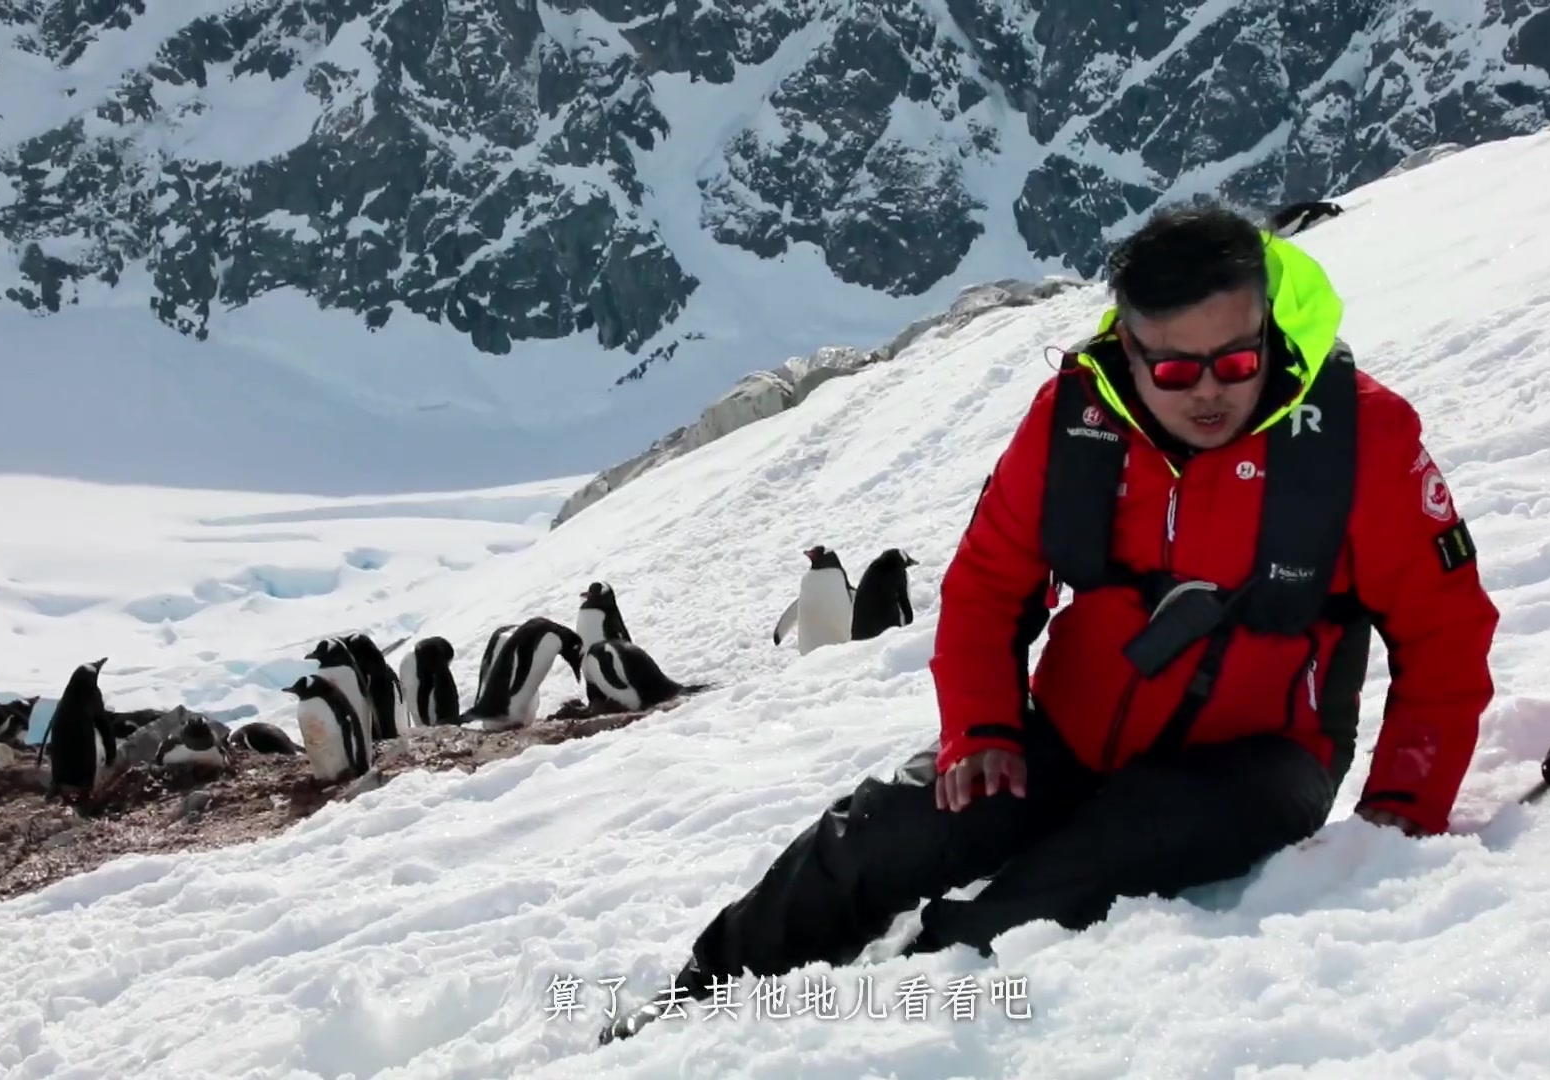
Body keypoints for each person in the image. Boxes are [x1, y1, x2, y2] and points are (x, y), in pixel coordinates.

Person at [597, 204, 1500, 1045]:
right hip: (1066, 730)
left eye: (1235, 359)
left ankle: (866, 1029)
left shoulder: (1359, 439)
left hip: (1262, 759)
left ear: (1264, 324)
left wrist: (1398, 818)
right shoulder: (1075, 420)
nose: (1209, 393)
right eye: (1176, 370)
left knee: (1058, 889)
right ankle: (698, 999)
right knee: (880, 834)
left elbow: (1445, 635)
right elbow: (989, 585)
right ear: (1129, 349)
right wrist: (983, 727)